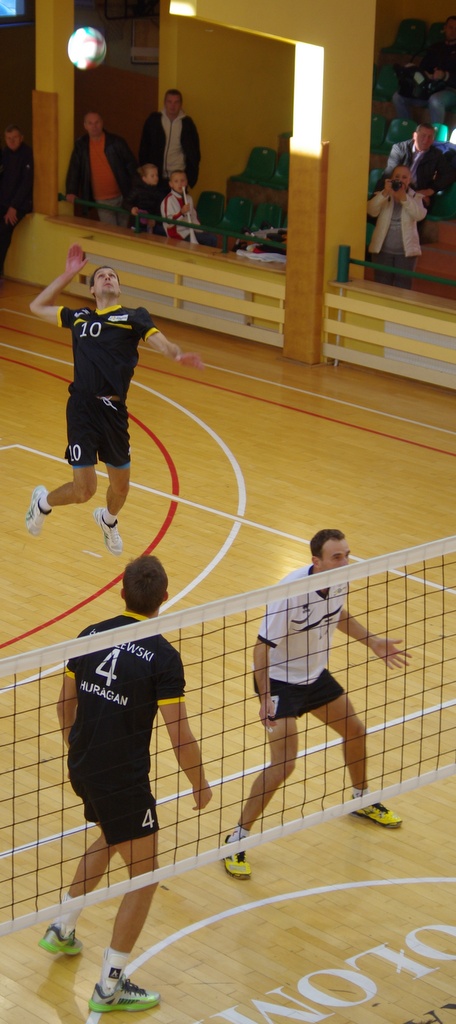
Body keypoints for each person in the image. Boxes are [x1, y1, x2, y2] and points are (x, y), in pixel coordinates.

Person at [38, 553, 212, 1012]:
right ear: (164, 598)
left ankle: (62, 927)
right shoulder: (164, 658)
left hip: (85, 766)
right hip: (123, 779)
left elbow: (64, 705)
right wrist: (200, 782)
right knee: (146, 876)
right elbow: (180, 735)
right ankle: (110, 986)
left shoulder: (91, 634)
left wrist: (78, 748)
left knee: (112, 837)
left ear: (122, 592)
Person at [224, 529, 411, 880]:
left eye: (347, 554)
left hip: (314, 676)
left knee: (355, 731)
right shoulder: (290, 593)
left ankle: (361, 799)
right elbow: (261, 648)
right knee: (283, 765)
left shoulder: (339, 580)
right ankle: (236, 838)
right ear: (316, 561)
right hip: (279, 682)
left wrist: (372, 641)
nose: (345, 562)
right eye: (337, 557)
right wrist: (265, 698)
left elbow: (336, 614)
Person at [25, 244, 203, 555]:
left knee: (121, 487)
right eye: (101, 276)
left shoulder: (133, 317)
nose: (108, 278)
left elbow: (162, 343)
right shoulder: (79, 317)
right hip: (82, 407)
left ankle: (107, 520)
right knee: (85, 490)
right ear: (92, 289)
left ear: (118, 289)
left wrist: (176, 355)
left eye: (113, 276)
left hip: (114, 411)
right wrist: (68, 274)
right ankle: (42, 503)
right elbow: (36, 306)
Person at [65, 112, 137, 226]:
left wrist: (136, 191)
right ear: (85, 126)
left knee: (123, 231)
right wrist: (71, 191)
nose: (94, 126)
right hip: (102, 199)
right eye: (90, 123)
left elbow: (131, 165)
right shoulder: (81, 145)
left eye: (97, 122)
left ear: (102, 123)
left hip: (123, 196)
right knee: (110, 232)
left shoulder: (116, 142)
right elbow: (75, 168)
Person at [367, 165, 426, 289]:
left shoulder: (416, 197)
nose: (400, 180)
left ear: (409, 180)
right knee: (381, 286)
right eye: (397, 177)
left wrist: (404, 198)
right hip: (382, 251)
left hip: (406, 253)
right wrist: (385, 193)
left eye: (404, 177)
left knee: (403, 287)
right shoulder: (383, 195)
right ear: (391, 178)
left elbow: (419, 215)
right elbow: (371, 210)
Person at [393, 15, 456, 125]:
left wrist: (445, 75)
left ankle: (436, 135)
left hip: (450, 90)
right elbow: (423, 67)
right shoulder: (435, 47)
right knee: (398, 97)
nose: (453, 31)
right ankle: (409, 130)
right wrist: (424, 74)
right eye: (451, 27)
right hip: (429, 87)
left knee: (435, 100)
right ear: (445, 28)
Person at [380, 124, 455, 210]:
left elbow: (450, 174)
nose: (426, 140)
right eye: (423, 136)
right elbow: (391, 174)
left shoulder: (436, 154)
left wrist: (432, 189)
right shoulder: (399, 149)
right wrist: (411, 195)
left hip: (419, 191)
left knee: (419, 207)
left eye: (430, 137)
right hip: (396, 187)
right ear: (415, 136)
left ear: (433, 140)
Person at [139, 89, 201, 188]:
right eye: (169, 102)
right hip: (156, 177)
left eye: (176, 102)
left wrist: (190, 176)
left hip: (178, 178)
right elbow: (144, 147)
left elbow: (194, 151)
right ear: (164, 103)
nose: (173, 106)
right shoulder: (153, 120)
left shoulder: (187, 124)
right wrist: (145, 172)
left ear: (181, 104)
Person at [0, 124, 33, 277]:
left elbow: (26, 183)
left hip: (20, 204)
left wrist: (14, 206)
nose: (12, 141)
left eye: (15, 138)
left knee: (3, 232)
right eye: (8, 138)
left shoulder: (27, 154)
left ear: (21, 138)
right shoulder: (5, 153)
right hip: (4, 202)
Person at [161, 170, 218, 247]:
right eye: (176, 181)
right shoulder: (168, 200)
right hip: (177, 235)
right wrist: (181, 213)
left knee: (212, 238)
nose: (180, 184)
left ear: (186, 182)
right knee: (209, 240)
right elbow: (168, 222)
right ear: (171, 184)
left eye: (182, 181)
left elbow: (194, 217)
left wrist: (200, 230)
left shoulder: (189, 198)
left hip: (190, 231)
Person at [127, 162, 168, 234]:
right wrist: (132, 209)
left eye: (157, 175)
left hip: (150, 225)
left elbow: (159, 210)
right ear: (144, 178)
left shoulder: (158, 192)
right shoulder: (137, 190)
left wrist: (155, 220)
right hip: (136, 224)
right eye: (152, 176)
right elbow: (126, 202)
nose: (156, 178)